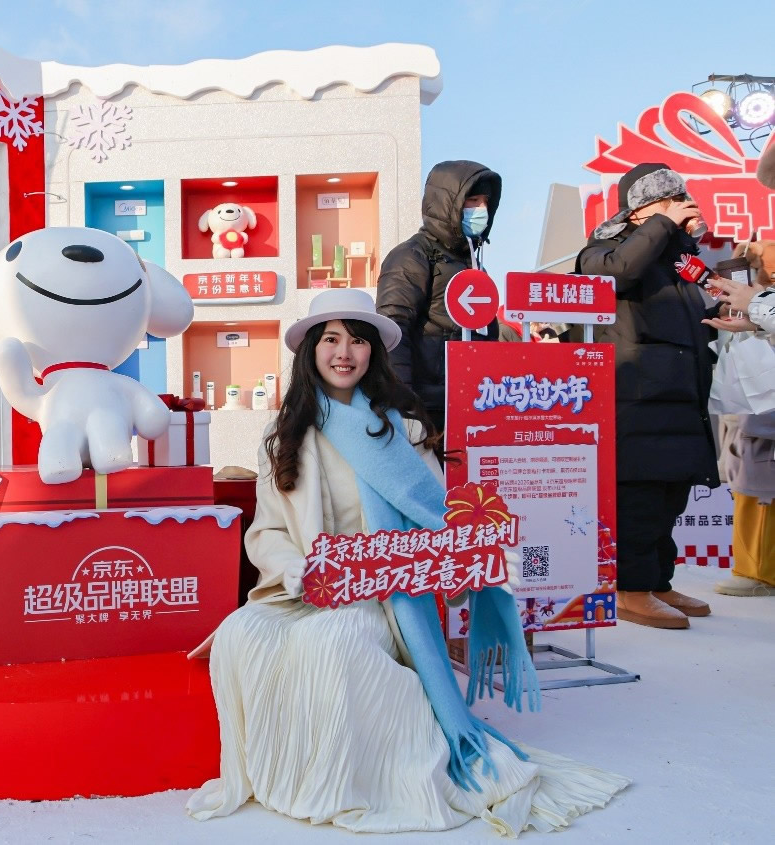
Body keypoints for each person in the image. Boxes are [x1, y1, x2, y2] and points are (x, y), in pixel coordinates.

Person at [186, 289, 628, 836]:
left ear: (373, 352)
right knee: (244, 633)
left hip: (383, 594)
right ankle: (287, 775)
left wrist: (473, 556)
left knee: (335, 640)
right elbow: (268, 530)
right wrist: (292, 566)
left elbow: (435, 521)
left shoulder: (403, 429)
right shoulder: (284, 435)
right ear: (311, 351)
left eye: (357, 341)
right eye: (330, 339)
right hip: (305, 587)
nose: (344, 352)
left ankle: (346, 782)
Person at [577, 162, 718, 629]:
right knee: (639, 498)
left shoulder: (678, 261)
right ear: (639, 211)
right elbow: (614, 274)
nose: (680, 209)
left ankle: (659, 581)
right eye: (669, 201)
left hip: (682, 399)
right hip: (637, 402)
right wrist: (661, 225)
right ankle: (630, 588)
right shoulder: (605, 248)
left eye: (681, 200)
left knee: (671, 497)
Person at [376, 160, 503, 433]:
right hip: (428, 411)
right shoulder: (412, 255)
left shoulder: (474, 265)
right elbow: (392, 331)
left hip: (472, 405)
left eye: (485, 202)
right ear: (448, 204)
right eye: (473, 201)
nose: (481, 209)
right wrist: (404, 408)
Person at [704, 240, 775, 596]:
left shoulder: (759, 300)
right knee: (753, 488)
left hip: (761, 414)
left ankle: (758, 573)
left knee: (758, 490)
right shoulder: (753, 302)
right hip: (754, 413)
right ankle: (754, 571)